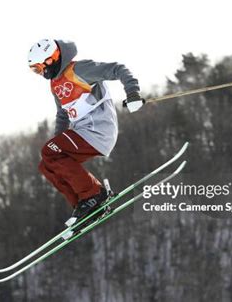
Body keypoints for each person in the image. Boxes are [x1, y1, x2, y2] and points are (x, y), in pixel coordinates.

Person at [28, 39, 145, 224]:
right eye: (35, 70)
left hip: (98, 130)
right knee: (47, 164)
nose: (41, 72)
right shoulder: (55, 83)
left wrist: (132, 92)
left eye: (40, 67)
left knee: (49, 152)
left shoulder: (79, 70)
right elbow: (62, 114)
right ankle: (84, 207)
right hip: (82, 132)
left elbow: (117, 68)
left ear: (52, 59)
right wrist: (58, 143)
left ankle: (94, 194)